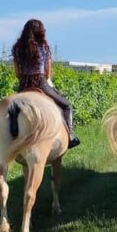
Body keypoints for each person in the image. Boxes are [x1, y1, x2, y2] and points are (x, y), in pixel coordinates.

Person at [12, 19, 80, 148]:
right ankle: (70, 135)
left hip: (23, 85)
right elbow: (48, 74)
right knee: (66, 106)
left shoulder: (17, 49)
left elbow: (17, 73)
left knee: (12, 111)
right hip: (41, 83)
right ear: (41, 32)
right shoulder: (43, 47)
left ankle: (13, 133)